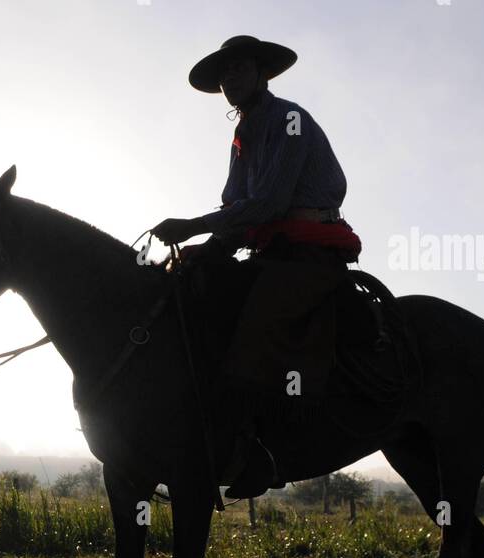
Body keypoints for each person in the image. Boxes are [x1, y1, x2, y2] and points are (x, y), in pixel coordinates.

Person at [150, 36, 361, 498]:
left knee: (258, 316)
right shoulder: (242, 135)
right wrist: (206, 248)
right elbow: (238, 209)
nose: (230, 79)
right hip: (273, 248)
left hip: (312, 253)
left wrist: (193, 226)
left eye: (239, 69)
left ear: (262, 73)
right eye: (225, 74)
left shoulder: (288, 120)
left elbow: (268, 203)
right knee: (200, 289)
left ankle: (264, 448)